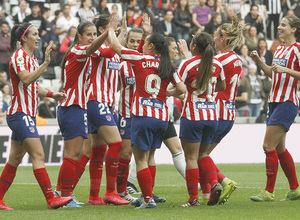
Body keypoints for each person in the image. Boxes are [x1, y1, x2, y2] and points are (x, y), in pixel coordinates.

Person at [109, 14, 186, 209]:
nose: (141, 45)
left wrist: (111, 29)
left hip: (143, 115)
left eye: (145, 43)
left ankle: (148, 199)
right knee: (151, 157)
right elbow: (182, 90)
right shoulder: (167, 65)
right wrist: (167, 93)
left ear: (151, 46)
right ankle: (149, 194)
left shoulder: (139, 58)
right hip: (161, 116)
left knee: (140, 159)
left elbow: (115, 47)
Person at [0, 23, 72, 211]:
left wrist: (51, 94)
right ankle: (51, 198)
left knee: (14, 159)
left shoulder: (31, 58)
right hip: (19, 114)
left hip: (27, 115)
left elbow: (33, 85)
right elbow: (26, 79)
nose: (38, 37)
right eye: (34, 34)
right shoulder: (18, 57)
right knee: (39, 154)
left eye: (38, 34)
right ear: (23, 38)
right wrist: (46, 64)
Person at [55, 18, 114, 208]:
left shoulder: (85, 53)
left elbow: (107, 50)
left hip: (76, 108)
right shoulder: (78, 51)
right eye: (88, 34)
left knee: (78, 153)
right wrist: (108, 32)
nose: (92, 38)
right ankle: (64, 195)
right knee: (73, 154)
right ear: (79, 36)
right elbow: (94, 48)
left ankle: (62, 192)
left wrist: (113, 33)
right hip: (72, 107)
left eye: (94, 34)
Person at [250, 15, 300, 202]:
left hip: (288, 102)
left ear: (294, 29)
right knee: (279, 148)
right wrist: (259, 62)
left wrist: (287, 70)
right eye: (279, 24)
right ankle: (295, 189)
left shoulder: (297, 50)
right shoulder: (279, 48)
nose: (279, 27)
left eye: (283, 25)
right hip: (274, 101)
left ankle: (268, 191)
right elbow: (273, 73)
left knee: (267, 145)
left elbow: (285, 72)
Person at [177, 32, 225, 207]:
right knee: (203, 154)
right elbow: (222, 86)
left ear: (194, 46)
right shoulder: (217, 63)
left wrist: (171, 92)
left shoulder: (187, 64)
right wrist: (208, 92)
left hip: (192, 115)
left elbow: (178, 86)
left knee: (190, 158)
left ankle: (192, 199)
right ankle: (214, 183)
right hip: (212, 115)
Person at [202, 14, 245, 205]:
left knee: (198, 155)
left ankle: (224, 182)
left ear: (223, 39)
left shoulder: (221, 61)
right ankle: (211, 193)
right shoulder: (237, 59)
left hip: (217, 112)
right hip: (228, 114)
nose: (214, 38)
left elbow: (203, 74)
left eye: (216, 35)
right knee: (204, 157)